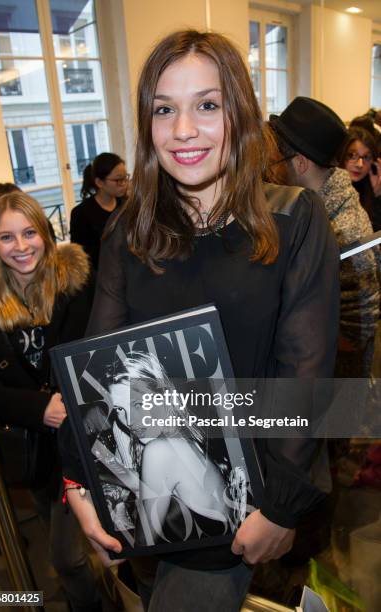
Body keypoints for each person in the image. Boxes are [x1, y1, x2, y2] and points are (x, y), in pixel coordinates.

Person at [60, 30, 340, 612]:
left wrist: (281, 506)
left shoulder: (293, 219)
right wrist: (77, 480)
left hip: (242, 502)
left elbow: (306, 371)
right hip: (140, 493)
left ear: (238, 114)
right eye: (165, 109)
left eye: (206, 105)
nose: (183, 129)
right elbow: (97, 360)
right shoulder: (127, 231)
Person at [0, 192, 101, 611]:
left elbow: (105, 350)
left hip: (91, 437)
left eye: (30, 232)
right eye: (7, 237)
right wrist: (37, 407)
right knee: (66, 548)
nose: (22, 246)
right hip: (37, 450)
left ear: (46, 233)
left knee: (68, 558)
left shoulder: (77, 284)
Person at [86, 352, 247, 548]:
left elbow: (143, 544)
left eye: (138, 404)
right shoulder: (185, 435)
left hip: (205, 572)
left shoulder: (159, 451)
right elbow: (148, 486)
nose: (129, 421)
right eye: (120, 409)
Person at [271, 97, 380, 379]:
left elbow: (362, 323)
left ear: (300, 163)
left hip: (335, 384)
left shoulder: (344, 225)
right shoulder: (308, 207)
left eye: (278, 160)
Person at [70, 153, 129, 269]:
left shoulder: (127, 205)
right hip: (99, 277)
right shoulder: (81, 213)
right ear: (99, 182)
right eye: (118, 180)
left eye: (125, 178)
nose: (124, 184)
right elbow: (81, 258)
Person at [339, 126, 381, 231]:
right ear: (342, 154)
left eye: (366, 157)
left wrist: (377, 197)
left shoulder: (373, 188)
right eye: (352, 155)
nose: (360, 164)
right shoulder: (331, 188)